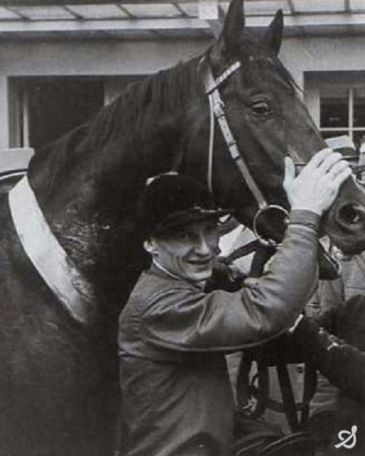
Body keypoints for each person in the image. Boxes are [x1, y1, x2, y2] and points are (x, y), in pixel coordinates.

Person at [118, 148, 351, 456]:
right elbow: (266, 311)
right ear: (150, 243)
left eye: (210, 230)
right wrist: (304, 216)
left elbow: (285, 301)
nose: (204, 248)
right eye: (184, 236)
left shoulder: (179, 284)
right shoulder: (157, 304)